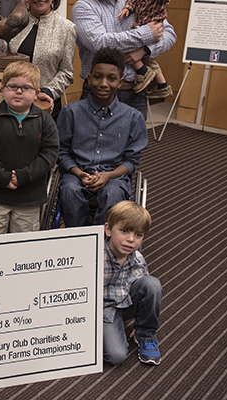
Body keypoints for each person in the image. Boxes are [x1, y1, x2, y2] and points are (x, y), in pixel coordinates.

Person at [71, 0, 177, 119]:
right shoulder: (83, 7)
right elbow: (101, 43)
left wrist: (145, 50)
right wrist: (147, 34)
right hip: (98, 93)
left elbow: (169, 34)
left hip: (136, 92)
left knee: (134, 145)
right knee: (94, 145)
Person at [57, 47, 148, 227]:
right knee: (69, 189)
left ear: (120, 82)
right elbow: (62, 152)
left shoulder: (133, 117)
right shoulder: (71, 112)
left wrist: (109, 175)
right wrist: (79, 173)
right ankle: (76, 239)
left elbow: (131, 160)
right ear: (89, 79)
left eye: (111, 78)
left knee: (113, 193)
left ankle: (102, 242)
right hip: (77, 172)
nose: (104, 83)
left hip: (113, 175)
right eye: (98, 77)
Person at [0, 60, 59, 234]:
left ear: (37, 93)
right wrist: (3, 178)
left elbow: (48, 156)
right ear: (2, 90)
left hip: (28, 200)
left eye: (26, 87)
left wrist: (22, 177)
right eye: (12, 86)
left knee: (23, 250)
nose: (19, 91)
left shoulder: (45, 121)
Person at [0, 0, 75, 119]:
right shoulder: (12, 22)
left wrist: (48, 91)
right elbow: (0, 59)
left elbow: (66, 72)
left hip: (45, 106)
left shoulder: (66, 28)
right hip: (10, 106)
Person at [103, 200, 162, 365]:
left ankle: (145, 334)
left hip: (126, 301)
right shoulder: (96, 257)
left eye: (138, 235)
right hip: (104, 310)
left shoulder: (137, 258)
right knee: (116, 357)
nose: (131, 240)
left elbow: (145, 289)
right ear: (108, 229)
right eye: (124, 231)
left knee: (152, 284)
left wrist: (142, 316)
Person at [118, 0, 177, 99]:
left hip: (152, 24)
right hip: (143, 21)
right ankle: (162, 85)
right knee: (145, 57)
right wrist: (128, 8)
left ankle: (144, 74)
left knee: (127, 46)